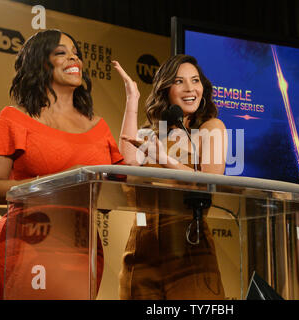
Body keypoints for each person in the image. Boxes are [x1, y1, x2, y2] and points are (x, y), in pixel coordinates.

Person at [0, 29, 124, 299]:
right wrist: (58, 183)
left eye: (76, 53)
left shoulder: (99, 128)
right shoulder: (13, 119)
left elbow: (111, 198)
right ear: (40, 63)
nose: (73, 59)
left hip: (82, 246)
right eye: (61, 53)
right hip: (27, 243)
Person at [113, 54, 227, 299]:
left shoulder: (211, 127)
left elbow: (211, 180)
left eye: (195, 81)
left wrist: (164, 159)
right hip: (141, 252)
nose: (190, 88)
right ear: (166, 89)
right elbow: (128, 165)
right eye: (179, 82)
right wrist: (132, 100)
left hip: (191, 250)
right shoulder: (150, 133)